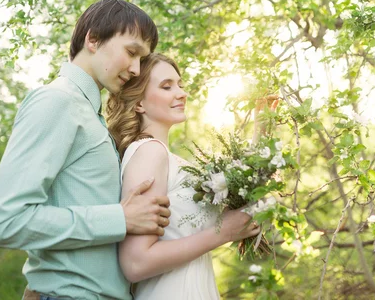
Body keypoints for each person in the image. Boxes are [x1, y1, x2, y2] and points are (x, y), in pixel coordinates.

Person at [0, 0, 172, 300]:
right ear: (93, 39)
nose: (137, 69)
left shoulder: (89, 115)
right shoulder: (56, 102)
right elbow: (7, 221)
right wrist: (119, 219)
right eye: (131, 52)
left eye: (142, 59)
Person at [106, 53, 261, 299]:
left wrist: (261, 128)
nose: (181, 93)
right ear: (139, 103)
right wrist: (225, 233)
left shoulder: (165, 157)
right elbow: (136, 263)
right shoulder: (149, 152)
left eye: (180, 85)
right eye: (167, 86)